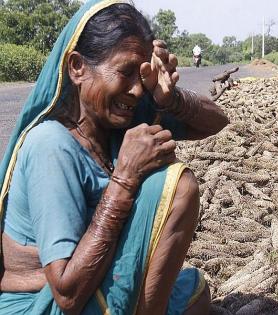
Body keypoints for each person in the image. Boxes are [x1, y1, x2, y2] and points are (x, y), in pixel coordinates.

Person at [0, 1, 229, 314]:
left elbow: (217, 121)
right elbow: (67, 294)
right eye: (125, 72)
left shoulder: (118, 120)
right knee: (176, 187)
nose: (136, 90)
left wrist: (170, 97)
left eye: (142, 75)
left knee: (195, 295)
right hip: (43, 303)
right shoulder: (51, 145)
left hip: (94, 283)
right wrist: (125, 178)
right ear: (77, 67)